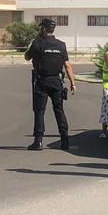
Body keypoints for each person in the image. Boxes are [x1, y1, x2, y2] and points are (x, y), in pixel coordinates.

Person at [25, 18, 76, 151]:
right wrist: (73, 83)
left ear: (43, 29)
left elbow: (27, 57)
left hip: (41, 81)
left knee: (39, 111)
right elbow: (67, 65)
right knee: (59, 110)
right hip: (57, 82)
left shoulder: (37, 44)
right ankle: (65, 140)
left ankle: (38, 141)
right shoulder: (61, 45)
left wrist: (32, 44)